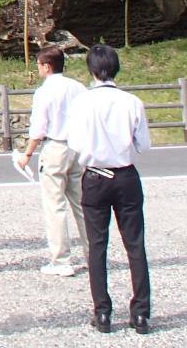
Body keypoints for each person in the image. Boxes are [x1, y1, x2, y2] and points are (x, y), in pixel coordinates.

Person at [66, 44, 151, 335]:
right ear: (116, 68)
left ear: (91, 70)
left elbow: (75, 145)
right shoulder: (132, 101)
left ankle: (102, 312)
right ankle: (141, 313)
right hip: (126, 174)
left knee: (97, 246)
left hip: (95, 176)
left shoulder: (82, 103)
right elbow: (144, 145)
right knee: (135, 245)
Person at [19, 45, 89, 276]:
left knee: (55, 205)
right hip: (77, 147)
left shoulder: (44, 92)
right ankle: (94, 254)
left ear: (46, 67)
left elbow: (38, 127)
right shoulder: (78, 87)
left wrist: (27, 153)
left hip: (55, 146)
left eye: (39, 65)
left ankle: (61, 259)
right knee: (81, 204)